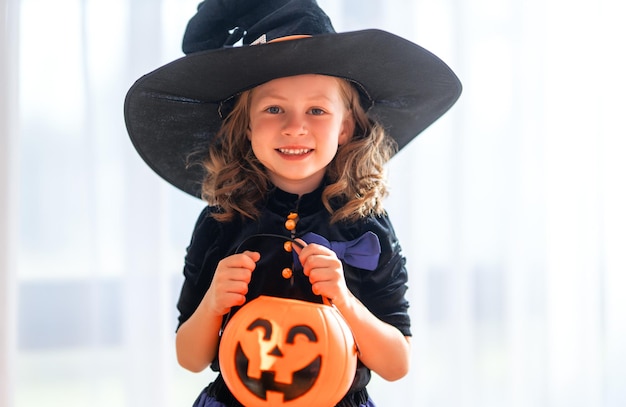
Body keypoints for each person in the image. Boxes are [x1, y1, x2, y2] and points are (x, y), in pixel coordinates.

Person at [124, 1, 461, 406]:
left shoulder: (365, 225)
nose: (295, 126)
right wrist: (213, 301)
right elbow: (190, 357)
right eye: (273, 108)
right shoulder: (221, 220)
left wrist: (344, 299)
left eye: (317, 110)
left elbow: (396, 363)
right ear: (247, 125)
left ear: (345, 127)